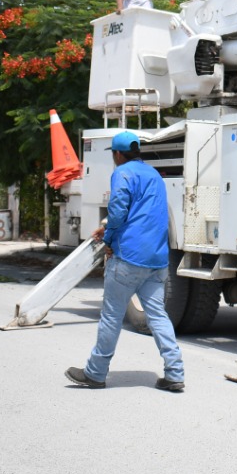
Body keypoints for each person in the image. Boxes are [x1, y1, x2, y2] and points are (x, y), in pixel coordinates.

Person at [66, 131, 184, 392]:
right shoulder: (153, 175)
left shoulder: (122, 173)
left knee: (111, 316)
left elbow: (119, 210)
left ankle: (95, 373)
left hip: (129, 257)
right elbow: (143, 213)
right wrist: (107, 228)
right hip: (156, 258)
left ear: (117, 154)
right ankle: (175, 373)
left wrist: (108, 237)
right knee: (157, 315)